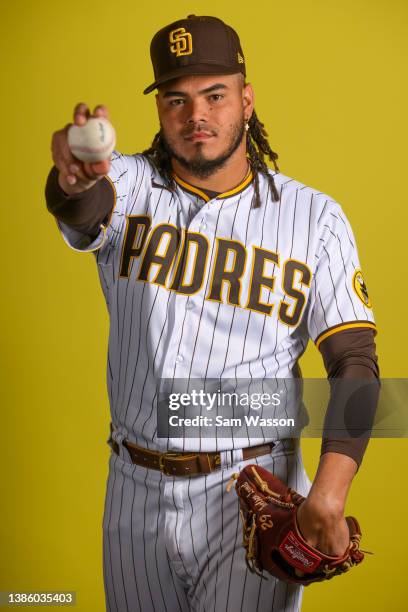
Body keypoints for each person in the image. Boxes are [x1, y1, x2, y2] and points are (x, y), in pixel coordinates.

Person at [45, 14, 379, 612]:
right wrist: (71, 180)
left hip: (250, 490)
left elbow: (354, 361)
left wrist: (328, 494)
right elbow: (82, 204)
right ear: (160, 111)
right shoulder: (125, 182)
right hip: (131, 489)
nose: (196, 115)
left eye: (214, 95)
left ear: (246, 101)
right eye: (177, 99)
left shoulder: (314, 217)